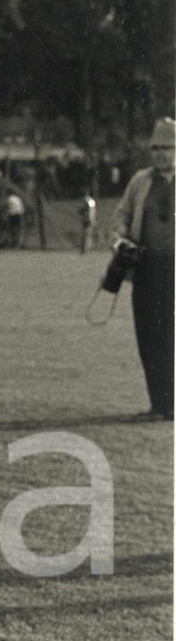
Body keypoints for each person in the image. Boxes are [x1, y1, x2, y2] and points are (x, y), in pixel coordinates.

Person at [111, 117, 175, 421]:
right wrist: (121, 239)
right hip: (147, 268)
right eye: (157, 148)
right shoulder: (141, 181)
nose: (162, 153)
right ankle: (159, 405)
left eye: (168, 147)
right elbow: (121, 214)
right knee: (149, 336)